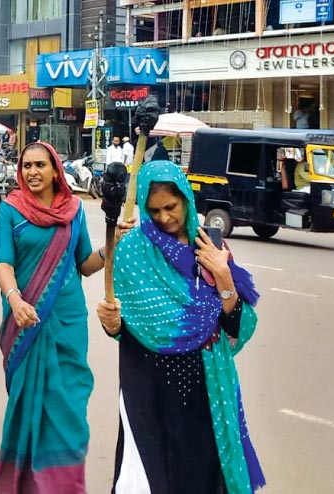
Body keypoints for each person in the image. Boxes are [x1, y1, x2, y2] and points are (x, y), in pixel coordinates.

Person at [96, 160, 265, 494]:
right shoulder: (131, 250)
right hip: (147, 384)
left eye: (171, 207)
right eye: (154, 210)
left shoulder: (210, 247)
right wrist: (112, 323)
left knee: (199, 471)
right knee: (147, 475)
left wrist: (224, 275)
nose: (164, 218)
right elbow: (127, 323)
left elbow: (236, 324)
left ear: (186, 200)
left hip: (203, 383)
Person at [0, 142, 108, 493]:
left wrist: (110, 247)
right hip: (24, 321)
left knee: (69, 413)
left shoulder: (75, 210)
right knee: (29, 410)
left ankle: (63, 485)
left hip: (68, 322)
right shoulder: (10, 210)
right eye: (26, 166)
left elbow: (85, 263)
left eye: (40, 165)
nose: (32, 172)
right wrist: (15, 298)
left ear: (56, 170)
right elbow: (4, 263)